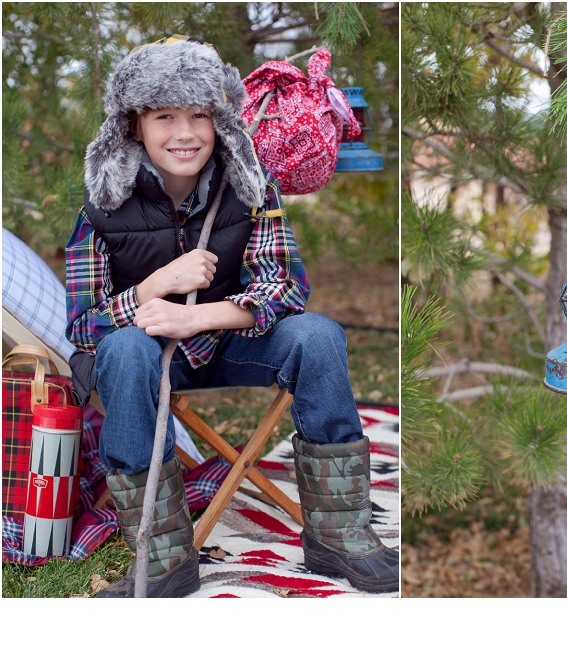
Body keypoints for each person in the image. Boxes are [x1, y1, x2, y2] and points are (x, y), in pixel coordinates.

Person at [65, 35, 398, 598]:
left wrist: (201, 317)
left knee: (317, 335)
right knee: (120, 349)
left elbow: (287, 286)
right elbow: (82, 326)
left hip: (229, 341)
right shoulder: (103, 205)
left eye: (200, 115)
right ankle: (166, 559)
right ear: (134, 126)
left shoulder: (248, 185)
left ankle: (337, 534)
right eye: (165, 116)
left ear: (220, 120)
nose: (186, 133)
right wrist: (155, 288)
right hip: (146, 363)